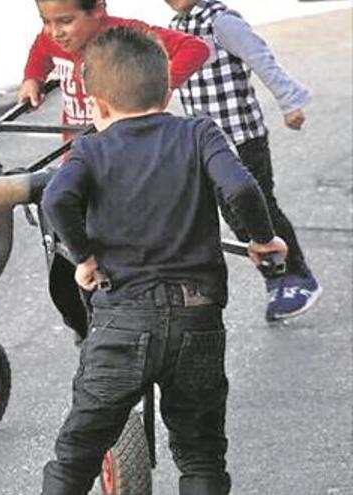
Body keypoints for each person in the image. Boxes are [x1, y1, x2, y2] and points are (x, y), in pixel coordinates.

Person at [40, 26, 288, 494]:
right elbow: (239, 187)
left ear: (99, 106)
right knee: (200, 457)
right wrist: (261, 240)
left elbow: (57, 199)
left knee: (76, 458)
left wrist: (84, 257)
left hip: (122, 322)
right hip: (197, 320)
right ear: (166, 88)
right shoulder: (199, 133)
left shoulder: (91, 147)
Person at [18, 0, 211, 342]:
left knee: (120, 247)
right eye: (46, 22)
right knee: (68, 246)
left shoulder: (125, 35)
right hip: (79, 158)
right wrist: (32, 78)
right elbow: (40, 48)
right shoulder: (51, 40)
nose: (54, 32)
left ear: (98, 10)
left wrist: (162, 87)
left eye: (65, 21)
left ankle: (128, 322)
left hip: (126, 162)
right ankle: (86, 322)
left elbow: (193, 48)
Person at [165, 0, 321, 321]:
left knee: (261, 207)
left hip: (242, 138)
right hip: (208, 146)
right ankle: (276, 279)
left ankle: (299, 276)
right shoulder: (177, 28)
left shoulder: (221, 21)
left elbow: (261, 59)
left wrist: (290, 103)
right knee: (236, 217)